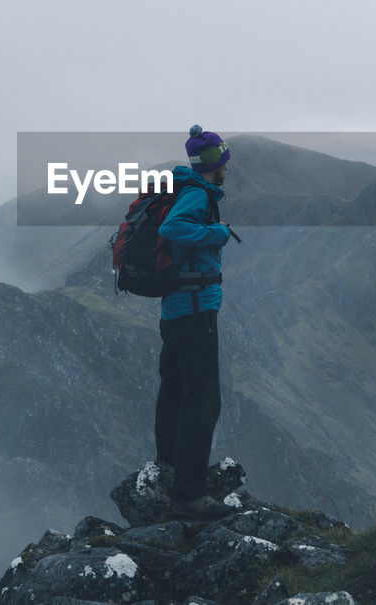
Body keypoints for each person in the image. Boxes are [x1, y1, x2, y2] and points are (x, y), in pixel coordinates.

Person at [155, 125, 234, 520]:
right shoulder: (197, 194)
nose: (227, 169)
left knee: (174, 390)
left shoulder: (187, 189)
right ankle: (189, 495)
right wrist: (215, 233)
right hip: (194, 308)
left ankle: (168, 469)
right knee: (203, 401)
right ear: (213, 164)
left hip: (176, 310)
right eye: (223, 162)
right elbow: (171, 229)